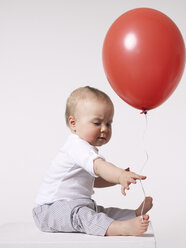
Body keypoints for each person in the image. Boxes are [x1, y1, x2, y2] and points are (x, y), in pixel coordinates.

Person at [32, 86, 153, 236]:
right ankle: (120, 229)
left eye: (108, 123)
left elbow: (94, 180)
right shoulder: (76, 146)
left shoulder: (84, 151)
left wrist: (116, 179)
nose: (104, 129)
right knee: (83, 216)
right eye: (97, 123)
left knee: (99, 212)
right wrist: (119, 175)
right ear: (73, 123)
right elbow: (99, 167)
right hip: (50, 210)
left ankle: (133, 214)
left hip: (75, 205)